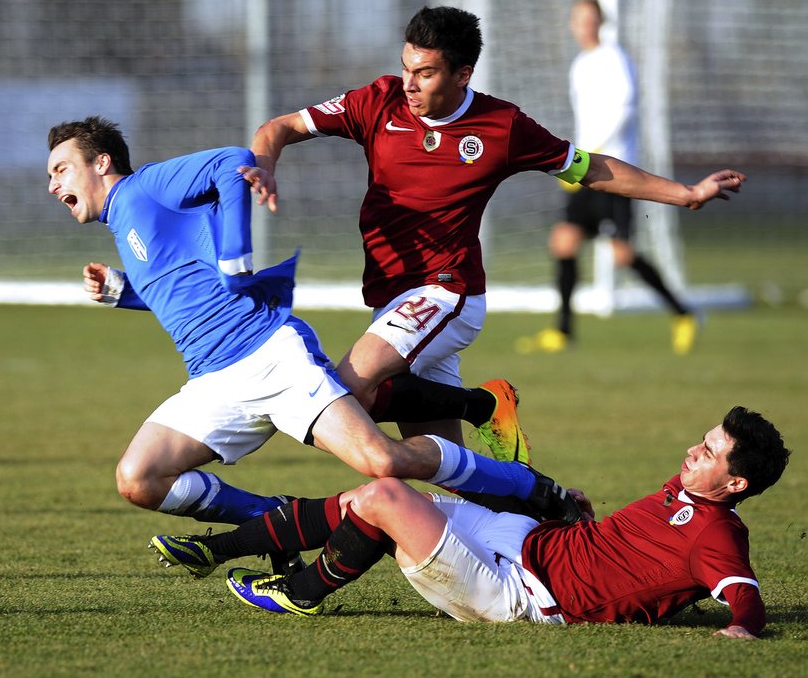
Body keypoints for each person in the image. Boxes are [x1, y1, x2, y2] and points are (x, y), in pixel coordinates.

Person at [45, 116, 581, 571]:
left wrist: (236, 253)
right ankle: (269, 517)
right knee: (139, 478)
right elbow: (184, 294)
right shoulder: (128, 223)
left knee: (382, 460)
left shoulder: (145, 187)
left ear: (101, 163)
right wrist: (123, 292)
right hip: (213, 380)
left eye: (61, 168)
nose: (52, 184)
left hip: (269, 356)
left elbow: (231, 161)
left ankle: (535, 491)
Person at [244, 6, 744, 461]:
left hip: (446, 291)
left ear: (463, 74)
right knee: (438, 460)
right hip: (390, 296)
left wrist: (685, 193)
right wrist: (264, 166)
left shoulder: (501, 126)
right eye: (405, 67)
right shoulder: (376, 101)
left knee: (344, 390)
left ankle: (481, 405)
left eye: (425, 73)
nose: (409, 84)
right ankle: (541, 502)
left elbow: (590, 168)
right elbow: (278, 127)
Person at [151, 406, 789, 640]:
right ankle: (219, 548)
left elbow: (744, 596)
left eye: (709, 452)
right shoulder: (689, 494)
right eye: (702, 439)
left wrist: (739, 629)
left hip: (527, 595)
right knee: (359, 498)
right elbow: (632, 553)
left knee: (384, 497)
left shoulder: (718, 533)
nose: (692, 451)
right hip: (531, 545)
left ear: (735, 484)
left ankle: (305, 593)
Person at [518, 0, 698, 356]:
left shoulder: (614, 58)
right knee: (564, 242)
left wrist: (591, 153)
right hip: (584, 170)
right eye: (578, 19)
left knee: (622, 255)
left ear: (600, 22)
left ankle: (683, 314)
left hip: (613, 170)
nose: (583, 25)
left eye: (590, 18)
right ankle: (563, 332)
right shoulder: (580, 64)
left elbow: (626, 108)